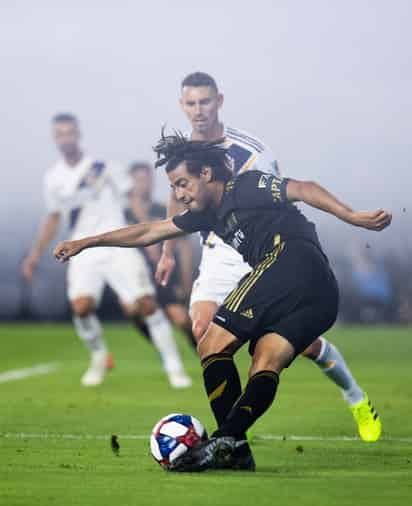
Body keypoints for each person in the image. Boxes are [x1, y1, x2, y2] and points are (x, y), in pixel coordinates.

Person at [52, 132, 391, 471]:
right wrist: (88, 241)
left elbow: (304, 188)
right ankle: (231, 444)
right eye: (173, 187)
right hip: (321, 296)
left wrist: (352, 216)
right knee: (265, 360)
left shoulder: (244, 187)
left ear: (207, 174)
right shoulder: (205, 215)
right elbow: (148, 231)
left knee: (211, 345)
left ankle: (232, 446)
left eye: (183, 183)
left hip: (289, 260)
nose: (178, 194)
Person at [155, 72, 382, 441]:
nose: (198, 111)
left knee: (300, 344)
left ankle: (354, 396)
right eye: (191, 103)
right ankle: (233, 441)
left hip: (257, 250)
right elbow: (176, 205)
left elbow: (280, 200)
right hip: (216, 249)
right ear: (182, 106)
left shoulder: (252, 151)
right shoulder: (182, 155)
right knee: (203, 332)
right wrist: (167, 252)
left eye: (205, 102)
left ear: (219, 102)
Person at [22, 114, 191, 389]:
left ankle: (174, 366)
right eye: (60, 134)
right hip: (82, 248)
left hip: (116, 245)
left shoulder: (104, 167)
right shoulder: (53, 178)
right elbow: (53, 217)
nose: (66, 138)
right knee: (81, 306)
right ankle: (100, 356)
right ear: (55, 139)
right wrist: (34, 254)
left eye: (70, 132)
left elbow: (132, 198)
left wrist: (147, 235)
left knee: (146, 303)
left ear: (78, 134)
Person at [126, 161, 197, 349]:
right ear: (130, 182)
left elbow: (184, 247)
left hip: (163, 274)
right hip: (137, 275)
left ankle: (205, 354)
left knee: (181, 319)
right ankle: (162, 347)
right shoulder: (122, 214)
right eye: (138, 180)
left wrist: (186, 282)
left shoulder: (164, 210)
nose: (143, 184)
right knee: (131, 308)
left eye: (147, 179)